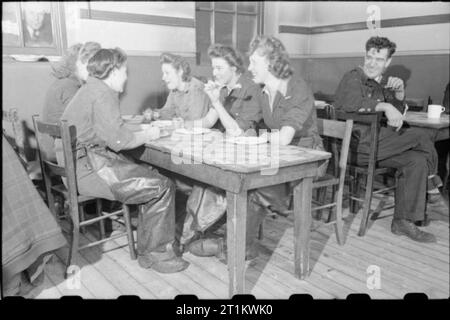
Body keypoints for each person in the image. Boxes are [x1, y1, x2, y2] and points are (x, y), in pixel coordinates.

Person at [187, 36, 325, 260]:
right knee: (236, 178)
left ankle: (235, 247)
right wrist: (218, 101)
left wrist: (257, 138)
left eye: (253, 62)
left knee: (254, 187)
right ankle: (234, 241)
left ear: (271, 63)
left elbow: (285, 138)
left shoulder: (297, 86)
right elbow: (241, 130)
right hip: (277, 156)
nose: (249, 67)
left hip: (307, 159)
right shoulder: (262, 91)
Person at [59, 48, 189, 273]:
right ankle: (156, 254)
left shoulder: (90, 89)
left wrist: (137, 131)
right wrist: (150, 134)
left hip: (78, 166)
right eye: (124, 71)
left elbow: (109, 131)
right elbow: (120, 140)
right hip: (89, 169)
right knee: (162, 186)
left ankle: (149, 252)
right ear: (113, 71)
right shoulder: (103, 93)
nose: (126, 77)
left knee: (150, 175)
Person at [333, 36, 448, 243]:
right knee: (422, 135)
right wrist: (384, 106)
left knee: (416, 160)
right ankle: (434, 194)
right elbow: (351, 102)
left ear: (387, 63)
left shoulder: (378, 86)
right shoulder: (353, 77)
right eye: (369, 57)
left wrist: (399, 95)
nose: (371, 63)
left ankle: (403, 221)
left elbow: (397, 115)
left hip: (376, 146)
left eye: (378, 60)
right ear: (364, 56)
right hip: (356, 147)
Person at [40, 42, 101, 161]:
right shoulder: (70, 86)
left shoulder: (63, 82)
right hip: (64, 154)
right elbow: (85, 123)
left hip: (56, 148)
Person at [156, 53, 210, 121]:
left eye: (167, 73)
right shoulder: (174, 90)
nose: (163, 78)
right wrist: (153, 114)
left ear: (180, 71)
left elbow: (194, 123)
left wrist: (175, 120)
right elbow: (167, 112)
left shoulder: (196, 88)